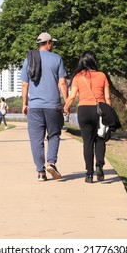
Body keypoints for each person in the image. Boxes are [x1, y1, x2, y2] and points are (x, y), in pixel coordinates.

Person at [20, 32, 68, 181]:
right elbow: (62, 83)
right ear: (47, 43)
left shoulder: (29, 59)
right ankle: (51, 162)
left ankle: (40, 172)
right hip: (53, 106)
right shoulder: (57, 58)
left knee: (36, 140)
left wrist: (24, 104)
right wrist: (67, 102)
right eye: (51, 43)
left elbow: (24, 83)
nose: (52, 45)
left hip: (34, 107)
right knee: (54, 135)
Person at [63, 51, 111, 183]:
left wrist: (66, 108)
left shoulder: (78, 77)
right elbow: (107, 97)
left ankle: (89, 174)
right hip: (99, 110)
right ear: (94, 61)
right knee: (100, 139)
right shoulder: (102, 75)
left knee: (87, 143)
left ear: (82, 62)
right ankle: (99, 165)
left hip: (83, 110)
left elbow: (72, 96)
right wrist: (108, 111)